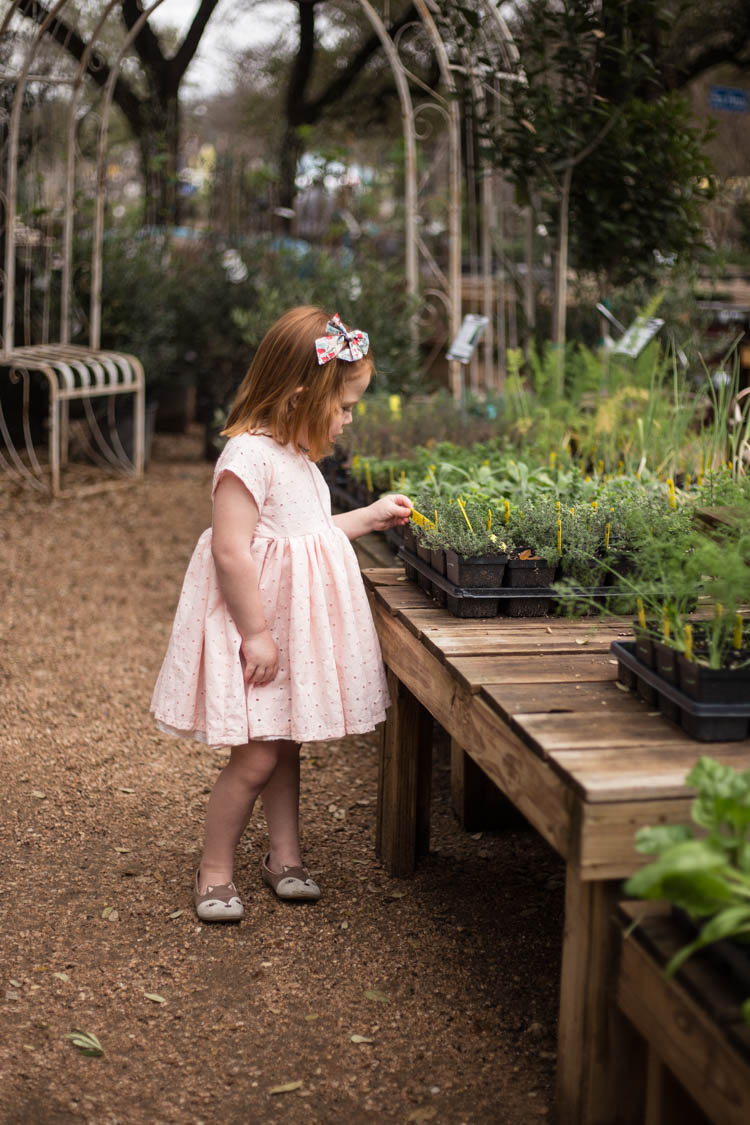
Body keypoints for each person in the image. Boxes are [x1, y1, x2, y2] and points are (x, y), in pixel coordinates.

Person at [150, 306, 412, 922]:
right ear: (300, 396)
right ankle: (214, 868)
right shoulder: (249, 458)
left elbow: (310, 536)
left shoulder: (297, 456)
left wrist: (369, 516)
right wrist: (256, 634)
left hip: (292, 631)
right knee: (258, 756)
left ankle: (283, 856)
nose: (349, 420)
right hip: (261, 630)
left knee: (286, 744)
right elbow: (230, 551)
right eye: (344, 406)